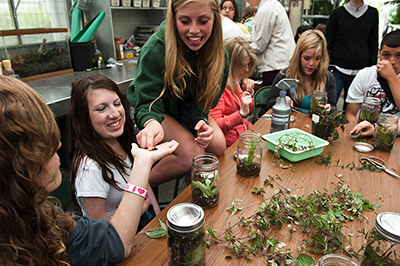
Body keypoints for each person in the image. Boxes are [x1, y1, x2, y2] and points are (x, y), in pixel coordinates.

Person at [0, 75, 178, 265]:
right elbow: (109, 241)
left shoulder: (44, 217)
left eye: (117, 103)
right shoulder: (90, 167)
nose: (58, 144)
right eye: (42, 145)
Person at [126, 0, 230, 187]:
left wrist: (201, 121)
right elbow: (146, 102)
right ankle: (140, 187)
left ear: (215, 18)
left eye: (203, 21)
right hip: (158, 110)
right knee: (193, 154)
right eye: (185, 21)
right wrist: (151, 123)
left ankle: (191, 185)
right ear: (173, 18)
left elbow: (204, 102)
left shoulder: (219, 55)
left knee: (218, 145)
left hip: (187, 108)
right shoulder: (155, 49)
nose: (194, 30)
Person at [68, 73, 160, 223]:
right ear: (84, 117)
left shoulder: (122, 141)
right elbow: (100, 234)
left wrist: (159, 220)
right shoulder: (90, 168)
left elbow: (146, 189)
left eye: (117, 104)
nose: (115, 114)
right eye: (101, 108)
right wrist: (140, 209)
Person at [262, 30, 336, 113]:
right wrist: (279, 101)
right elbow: (269, 105)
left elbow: (333, 107)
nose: (312, 63)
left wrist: (329, 110)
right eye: (306, 58)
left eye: (317, 58)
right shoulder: (284, 76)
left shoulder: (327, 78)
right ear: (298, 56)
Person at [325, 0, 378, 111]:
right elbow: (327, 42)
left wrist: (373, 70)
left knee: (350, 112)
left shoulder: (372, 13)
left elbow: (373, 43)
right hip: (337, 68)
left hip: (361, 70)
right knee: (330, 107)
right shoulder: (337, 13)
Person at [210, 37, 257, 148]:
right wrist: (240, 114)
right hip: (229, 146)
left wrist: (248, 93)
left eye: (248, 65)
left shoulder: (234, 81)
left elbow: (247, 111)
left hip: (242, 137)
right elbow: (214, 126)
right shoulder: (217, 87)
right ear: (230, 64)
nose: (246, 70)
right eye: (242, 65)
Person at [345, 30, 400, 121]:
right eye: (386, 55)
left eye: (399, 55)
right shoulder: (365, 74)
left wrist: (391, 78)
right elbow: (350, 114)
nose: (392, 61)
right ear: (379, 53)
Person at [246, 0, 295, 87]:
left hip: (274, 68)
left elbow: (259, 46)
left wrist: (240, 49)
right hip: (283, 65)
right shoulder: (274, 5)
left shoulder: (265, 10)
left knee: (271, 98)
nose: (246, 0)